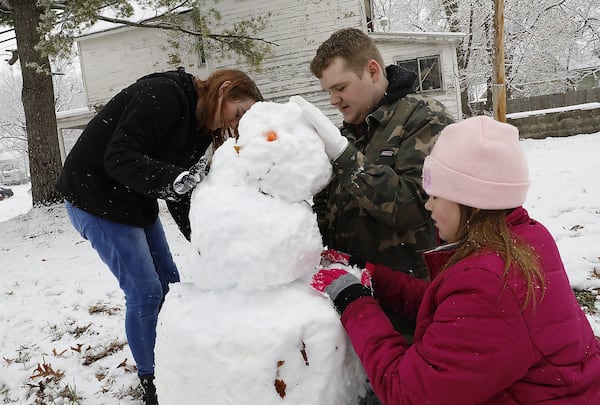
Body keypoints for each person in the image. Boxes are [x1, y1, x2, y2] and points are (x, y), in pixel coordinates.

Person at [310, 116, 600, 404]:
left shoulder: (490, 284)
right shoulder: (522, 239)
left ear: (470, 201)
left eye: (436, 195)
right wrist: (373, 276)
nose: (427, 205)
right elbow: (452, 312)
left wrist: (354, 303)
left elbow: (407, 393)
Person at [56, 67, 263, 405]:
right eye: (238, 113)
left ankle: (172, 356)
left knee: (169, 282)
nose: (234, 124)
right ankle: (152, 377)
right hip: (93, 196)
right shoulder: (165, 95)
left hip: (132, 197)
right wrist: (177, 180)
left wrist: (204, 241)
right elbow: (118, 157)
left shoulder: (199, 130)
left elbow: (177, 192)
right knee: (145, 292)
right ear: (224, 90)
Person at [292, 26, 454, 278]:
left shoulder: (425, 117)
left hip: (408, 297)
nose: (333, 100)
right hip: (351, 291)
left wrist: (346, 157)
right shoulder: (345, 134)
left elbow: (414, 207)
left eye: (340, 87)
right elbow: (325, 212)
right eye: (329, 92)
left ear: (372, 71)